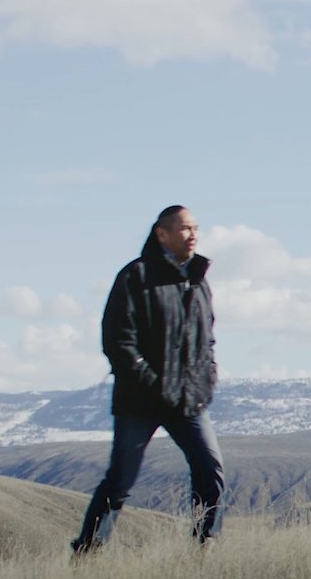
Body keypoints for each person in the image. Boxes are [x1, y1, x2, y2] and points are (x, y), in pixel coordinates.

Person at [71, 205, 225, 555]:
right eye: (185, 228)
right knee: (120, 480)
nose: (193, 235)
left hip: (188, 399)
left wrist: (207, 378)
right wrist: (152, 383)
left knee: (210, 467)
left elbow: (207, 340)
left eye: (196, 228)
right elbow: (118, 341)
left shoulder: (198, 280)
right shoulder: (135, 277)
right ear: (162, 234)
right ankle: (88, 552)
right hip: (139, 401)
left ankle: (205, 547)